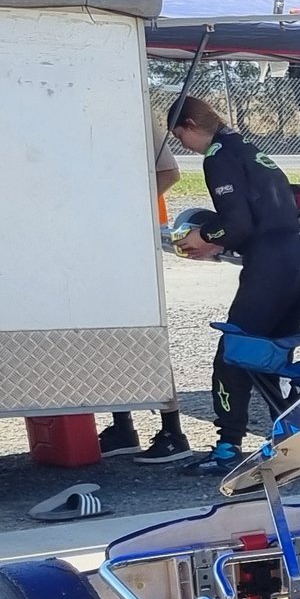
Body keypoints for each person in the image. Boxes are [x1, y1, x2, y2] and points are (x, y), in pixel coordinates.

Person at [167, 96, 300, 475]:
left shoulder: (218, 156)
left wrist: (205, 235)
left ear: (189, 126)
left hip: (269, 267)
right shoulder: (250, 149)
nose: (181, 145)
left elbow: (238, 223)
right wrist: (222, 240)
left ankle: (227, 447)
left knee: (232, 354)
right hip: (299, 262)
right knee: (270, 354)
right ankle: (286, 437)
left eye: (178, 136)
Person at [99, 142, 193, 464]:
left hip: (130, 238)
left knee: (145, 336)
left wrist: (124, 208)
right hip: (101, 237)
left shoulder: (131, 104)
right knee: (107, 335)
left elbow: (169, 171)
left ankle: (172, 432)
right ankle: (122, 426)